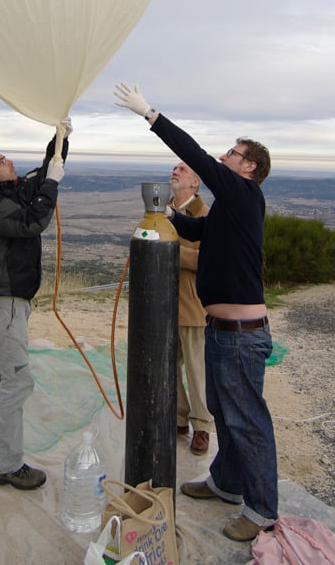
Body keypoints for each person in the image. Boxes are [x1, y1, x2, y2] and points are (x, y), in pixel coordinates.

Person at [114, 82, 277, 543]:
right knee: (227, 415)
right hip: (225, 329)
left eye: (233, 152)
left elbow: (197, 156)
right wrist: (161, 214)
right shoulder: (229, 209)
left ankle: (263, 510)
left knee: (248, 421)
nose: (224, 157)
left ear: (249, 166)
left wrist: (150, 114)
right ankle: (226, 482)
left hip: (243, 333)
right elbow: (194, 226)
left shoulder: (244, 194)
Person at [0, 119, 71, 490]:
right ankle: (6, 466)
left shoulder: (9, 190)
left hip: (11, 301)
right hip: (3, 303)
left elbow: (39, 180)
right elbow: (31, 222)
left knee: (4, 376)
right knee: (18, 380)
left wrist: (60, 140)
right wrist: (52, 181)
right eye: (2, 161)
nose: (10, 164)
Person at [169, 161, 214, 455]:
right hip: (163, 304)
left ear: (195, 184)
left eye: (183, 170)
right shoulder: (161, 211)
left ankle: (202, 427)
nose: (176, 171)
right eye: (174, 168)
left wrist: (168, 249)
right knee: (167, 366)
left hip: (193, 305)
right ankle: (179, 416)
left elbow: (206, 260)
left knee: (197, 370)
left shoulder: (206, 216)